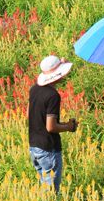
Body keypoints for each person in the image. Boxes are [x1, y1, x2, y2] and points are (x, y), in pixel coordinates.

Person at [27, 55, 77, 193]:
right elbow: (51, 126)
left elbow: (28, 114)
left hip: (34, 147)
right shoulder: (53, 95)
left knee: (43, 187)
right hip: (49, 149)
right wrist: (69, 126)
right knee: (51, 192)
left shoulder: (34, 89)